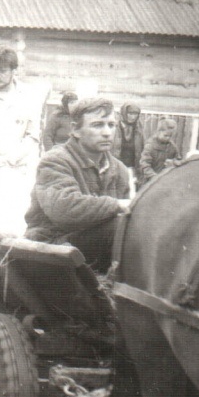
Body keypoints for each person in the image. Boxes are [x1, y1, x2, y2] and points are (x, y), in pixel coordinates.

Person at [25, 98, 131, 273]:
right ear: (75, 130)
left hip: (90, 245)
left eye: (111, 125)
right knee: (119, 228)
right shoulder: (56, 160)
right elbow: (63, 209)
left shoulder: (119, 170)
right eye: (97, 125)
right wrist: (117, 204)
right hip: (50, 245)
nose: (107, 133)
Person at [0, 46, 42, 173]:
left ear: (14, 71)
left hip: (16, 166)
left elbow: (32, 136)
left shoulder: (29, 96)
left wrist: (12, 158)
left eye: (3, 71)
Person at [139, 119, 181, 183]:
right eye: (165, 135)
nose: (168, 138)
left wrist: (173, 163)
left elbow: (178, 160)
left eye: (170, 136)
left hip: (166, 180)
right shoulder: (150, 146)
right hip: (150, 181)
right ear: (158, 132)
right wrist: (153, 177)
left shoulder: (172, 147)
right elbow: (144, 164)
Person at [110, 102, 144, 180]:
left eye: (135, 114)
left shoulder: (139, 129)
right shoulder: (114, 127)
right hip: (116, 167)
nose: (133, 117)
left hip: (132, 169)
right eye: (130, 114)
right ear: (124, 113)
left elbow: (142, 149)